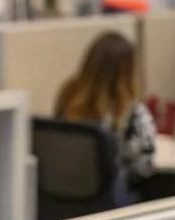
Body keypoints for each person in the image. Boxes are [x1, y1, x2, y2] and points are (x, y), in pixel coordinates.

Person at [54, 31, 156, 185]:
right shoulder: (134, 113)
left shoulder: (67, 95)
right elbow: (145, 168)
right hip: (111, 201)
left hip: (63, 194)